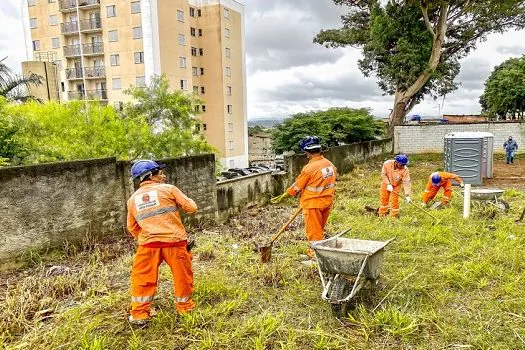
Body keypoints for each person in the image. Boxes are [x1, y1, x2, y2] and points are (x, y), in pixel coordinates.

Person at [127, 160, 197, 325]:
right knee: (182, 277)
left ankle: (139, 315)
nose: (164, 176)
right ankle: (185, 308)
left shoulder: (132, 200)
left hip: (148, 246)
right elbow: (192, 208)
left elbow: (132, 227)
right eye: (161, 173)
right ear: (151, 175)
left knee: (142, 278)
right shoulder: (169, 189)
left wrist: (147, 238)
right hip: (175, 242)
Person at [285, 136, 337, 259]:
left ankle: (315, 256)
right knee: (319, 229)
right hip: (327, 202)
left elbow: (296, 187)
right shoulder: (329, 165)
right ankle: (319, 250)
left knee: (314, 232)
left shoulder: (309, 168)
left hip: (312, 205)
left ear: (307, 152)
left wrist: (288, 193)